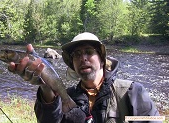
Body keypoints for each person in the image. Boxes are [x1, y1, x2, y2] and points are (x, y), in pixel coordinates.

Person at [8, 32, 161, 123]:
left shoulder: (132, 92)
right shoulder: (66, 97)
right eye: (77, 55)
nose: (83, 58)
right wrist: (46, 90)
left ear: (102, 59)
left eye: (89, 51)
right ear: (72, 64)